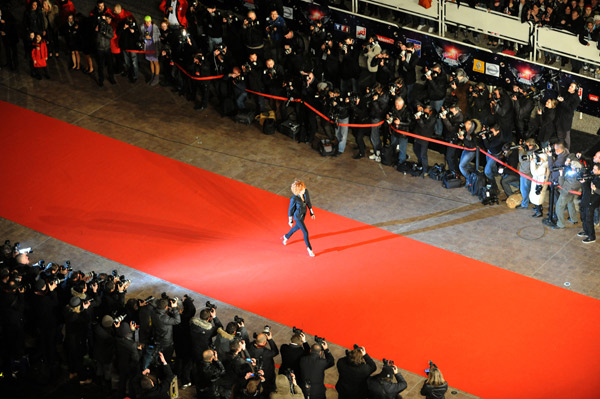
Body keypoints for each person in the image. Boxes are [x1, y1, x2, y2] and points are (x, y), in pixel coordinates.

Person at [282, 180, 315, 257]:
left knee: (297, 227)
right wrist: (290, 220)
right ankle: (309, 249)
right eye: (302, 189)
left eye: (304, 188)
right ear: (298, 191)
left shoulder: (305, 192)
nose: (304, 189)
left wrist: (311, 212)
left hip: (303, 214)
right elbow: (290, 209)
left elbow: (308, 202)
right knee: (305, 232)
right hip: (297, 217)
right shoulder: (294, 199)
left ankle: (286, 236)